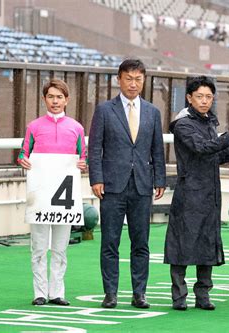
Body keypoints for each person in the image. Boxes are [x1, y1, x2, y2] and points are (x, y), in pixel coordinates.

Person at [164, 76, 229, 311]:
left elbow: (212, 157)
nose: (204, 101)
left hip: (210, 193)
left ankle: (203, 295)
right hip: (189, 192)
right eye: (200, 96)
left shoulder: (209, 122)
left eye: (209, 97)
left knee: (206, 243)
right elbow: (201, 149)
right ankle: (179, 297)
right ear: (189, 98)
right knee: (182, 244)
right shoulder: (183, 124)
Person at [89, 59, 166, 309]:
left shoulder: (153, 112)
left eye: (138, 79)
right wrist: (96, 178)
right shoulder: (104, 110)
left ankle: (139, 293)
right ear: (119, 79)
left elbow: (157, 150)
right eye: (129, 79)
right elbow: (95, 148)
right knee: (110, 241)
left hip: (142, 186)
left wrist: (160, 179)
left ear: (144, 81)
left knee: (140, 242)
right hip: (111, 185)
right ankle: (110, 293)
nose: (133, 84)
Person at [18, 78, 87, 306]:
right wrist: (22, 161)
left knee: (60, 247)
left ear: (67, 100)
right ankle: (39, 292)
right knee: (38, 246)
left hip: (64, 201)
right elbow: (23, 154)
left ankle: (57, 291)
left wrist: (83, 165)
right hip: (40, 197)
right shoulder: (34, 127)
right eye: (51, 97)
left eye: (59, 97)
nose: (55, 101)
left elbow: (83, 157)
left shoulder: (76, 128)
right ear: (44, 99)